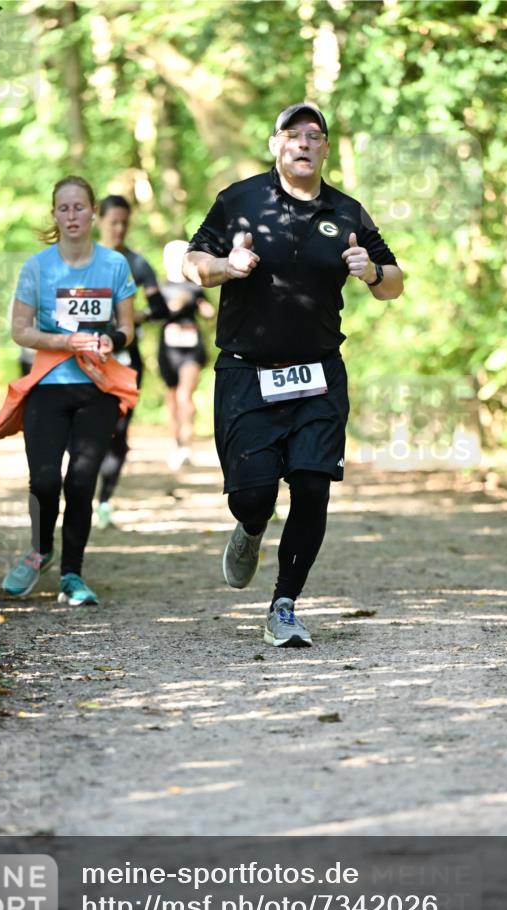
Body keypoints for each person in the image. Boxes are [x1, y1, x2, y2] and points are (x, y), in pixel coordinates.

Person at [183, 103, 404, 647]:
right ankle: (250, 526)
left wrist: (373, 271)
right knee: (253, 495)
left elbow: (394, 282)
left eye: (314, 135)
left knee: (311, 485)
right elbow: (193, 262)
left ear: (325, 148)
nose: (303, 143)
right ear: (275, 144)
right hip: (246, 373)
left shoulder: (347, 212)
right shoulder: (239, 200)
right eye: (293, 134)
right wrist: (227, 267)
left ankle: (284, 604)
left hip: (319, 375)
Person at [0, 175, 137, 606]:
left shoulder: (114, 265)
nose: (72, 215)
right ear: (54, 215)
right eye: (64, 208)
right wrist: (64, 342)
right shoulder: (37, 267)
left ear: (93, 212)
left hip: (97, 386)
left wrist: (112, 338)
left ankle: (72, 575)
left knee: (81, 480)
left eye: (79, 207)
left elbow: (128, 327)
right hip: (48, 384)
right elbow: (20, 330)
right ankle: (40, 551)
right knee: (44, 480)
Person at [95, 194, 169, 527]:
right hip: (85, 358)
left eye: (125, 223)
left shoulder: (137, 263)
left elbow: (160, 309)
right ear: (99, 220)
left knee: (119, 432)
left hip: (126, 358)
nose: (120, 229)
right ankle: (80, 489)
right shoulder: (82, 259)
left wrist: (135, 316)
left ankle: (104, 501)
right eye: (114, 222)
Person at [158, 239, 215, 470]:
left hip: (191, 348)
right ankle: (176, 442)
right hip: (168, 349)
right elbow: (155, 314)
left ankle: (187, 443)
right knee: (172, 398)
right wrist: (172, 306)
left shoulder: (195, 287)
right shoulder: (160, 287)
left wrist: (206, 310)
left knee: (185, 395)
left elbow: (209, 312)